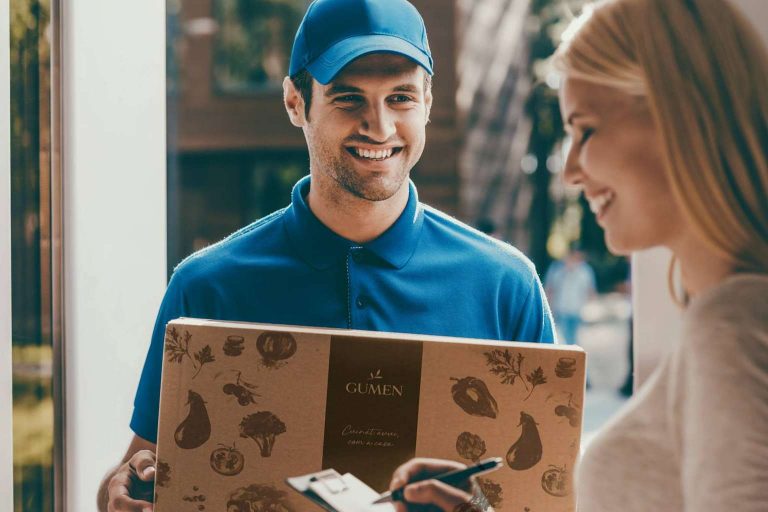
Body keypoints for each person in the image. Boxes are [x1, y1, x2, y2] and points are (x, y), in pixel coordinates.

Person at [97, 0, 556, 510]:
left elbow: (549, 489)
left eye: (400, 97)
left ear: (428, 100)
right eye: (348, 99)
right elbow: (143, 469)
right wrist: (122, 489)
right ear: (296, 102)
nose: (379, 126)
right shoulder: (206, 286)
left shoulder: (505, 285)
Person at [389, 0, 768, 510]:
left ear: (681, 115)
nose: (569, 171)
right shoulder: (730, 318)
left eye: (585, 130)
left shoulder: (734, 325)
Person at [544, 247, 596, 345]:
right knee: (565, 337)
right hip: (561, 309)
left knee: (574, 337)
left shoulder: (585, 271)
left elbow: (590, 290)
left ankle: (573, 355)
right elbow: (550, 289)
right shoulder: (557, 269)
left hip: (577, 309)